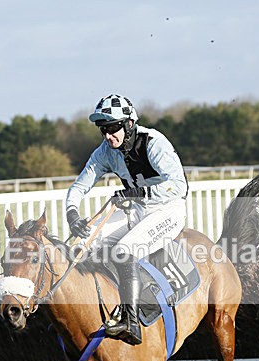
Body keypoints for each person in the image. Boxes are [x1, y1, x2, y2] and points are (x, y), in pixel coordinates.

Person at [65, 94, 188, 345]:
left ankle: (132, 322)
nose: (108, 136)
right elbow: (79, 186)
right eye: (103, 130)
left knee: (125, 249)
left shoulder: (154, 143)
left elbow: (179, 186)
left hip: (167, 210)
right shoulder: (104, 153)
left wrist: (139, 192)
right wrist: (72, 213)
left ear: (129, 124)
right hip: (137, 210)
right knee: (82, 242)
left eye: (113, 128)